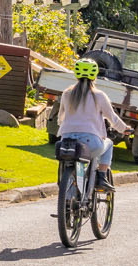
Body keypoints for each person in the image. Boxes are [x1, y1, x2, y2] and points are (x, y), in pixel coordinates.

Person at [56, 57, 132, 191]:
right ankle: (101, 177)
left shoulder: (67, 93)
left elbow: (60, 117)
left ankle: (69, 188)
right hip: (91, 142)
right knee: (109, 144)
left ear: (76, 74)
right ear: (95, 76)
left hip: (67, 141)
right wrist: (124, 129)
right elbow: (112, 118)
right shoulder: (99, 96)